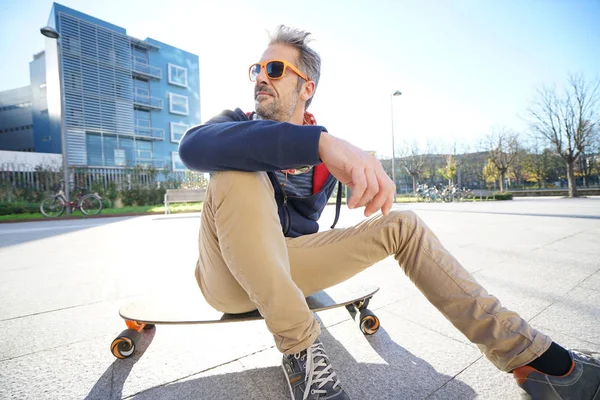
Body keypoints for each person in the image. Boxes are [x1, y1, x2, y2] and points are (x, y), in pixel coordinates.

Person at [178, 25, 600, 400]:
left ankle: (533, 358)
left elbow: (304, 231)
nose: (260, 80)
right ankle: (303, 358)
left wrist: (324, 153)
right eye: (257, 69)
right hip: (227, 279)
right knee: (237, 173)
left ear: (307, 87)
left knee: (404, 224)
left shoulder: (325, 164)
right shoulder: (234, 124)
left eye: (274, 70)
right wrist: (319, 142)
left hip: (287, 267)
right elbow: (193, 147)